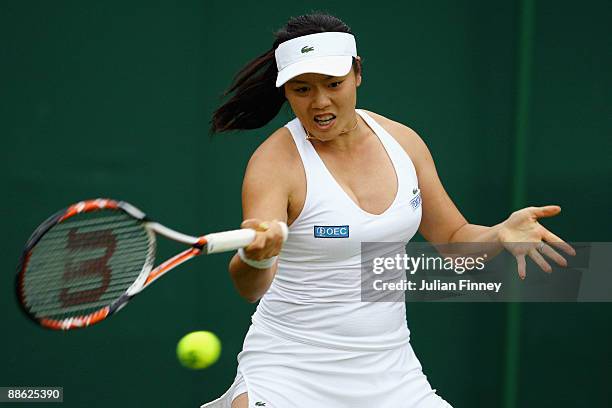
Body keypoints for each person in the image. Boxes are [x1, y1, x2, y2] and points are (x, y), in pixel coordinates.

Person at [201, 13, 574, 408]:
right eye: (302, 89)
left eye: (333, 83)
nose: (320, 102)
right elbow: (251, 288)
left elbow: (452, 239)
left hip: (391, 372)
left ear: (357, 73)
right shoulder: (274, 164)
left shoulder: (403, 143)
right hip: (289, 370)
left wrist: (498, 233)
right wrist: (257, 258)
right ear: (287, 92)